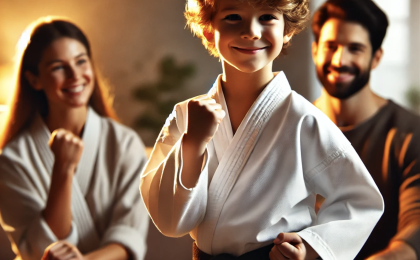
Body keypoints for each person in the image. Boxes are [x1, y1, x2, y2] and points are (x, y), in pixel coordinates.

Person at [140, 0, 384, 259]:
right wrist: (193, 143)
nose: (252, 32)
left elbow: (361, 200)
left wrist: (310, 246)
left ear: (287, 30)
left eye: (267, 17)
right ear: (209, 29)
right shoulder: (187, 116)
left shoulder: (303, 120)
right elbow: (171, 222)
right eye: (233, 16)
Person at [0, 17, 149, 260]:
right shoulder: (13, 159)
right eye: (58, 67)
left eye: (81, 62)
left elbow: (129, 236)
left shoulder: (124, 142)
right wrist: (63, 169)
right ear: (33, 79)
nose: (74, 75)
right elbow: (39, 250)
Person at [311, 0, 420, 259]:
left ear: (376, 58)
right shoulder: (290, 126)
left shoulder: (409, 134)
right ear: (315, 50)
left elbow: (415, 227)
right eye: (331, 47)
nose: (340, 60)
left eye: (355, 48)